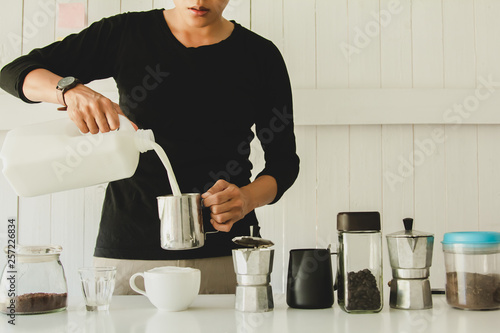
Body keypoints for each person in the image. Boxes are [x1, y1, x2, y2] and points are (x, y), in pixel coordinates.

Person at [0, 0, 299, 294]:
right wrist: (69, 90)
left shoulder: (260, 55)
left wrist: (246, 199)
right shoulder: (126, 33)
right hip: (130, 255)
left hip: (227, 255)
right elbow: (15, 72)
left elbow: (284, 163)